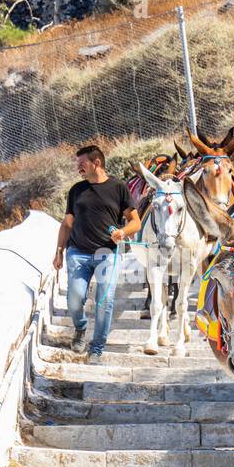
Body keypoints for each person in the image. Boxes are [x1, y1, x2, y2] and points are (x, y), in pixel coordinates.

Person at [52, 145, 140, 363]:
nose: (78, 168)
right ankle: (80, 328)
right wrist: (59, 252)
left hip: (107, 254)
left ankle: (97, 348)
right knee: (74, 299)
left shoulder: (118, 187)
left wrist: (122, 232)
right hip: (77, 253)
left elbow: (135, 222)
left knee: (105, 300)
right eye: (77, 164)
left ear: (96, 163)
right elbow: (67, 224)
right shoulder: (76, 190)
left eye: (82, 164)